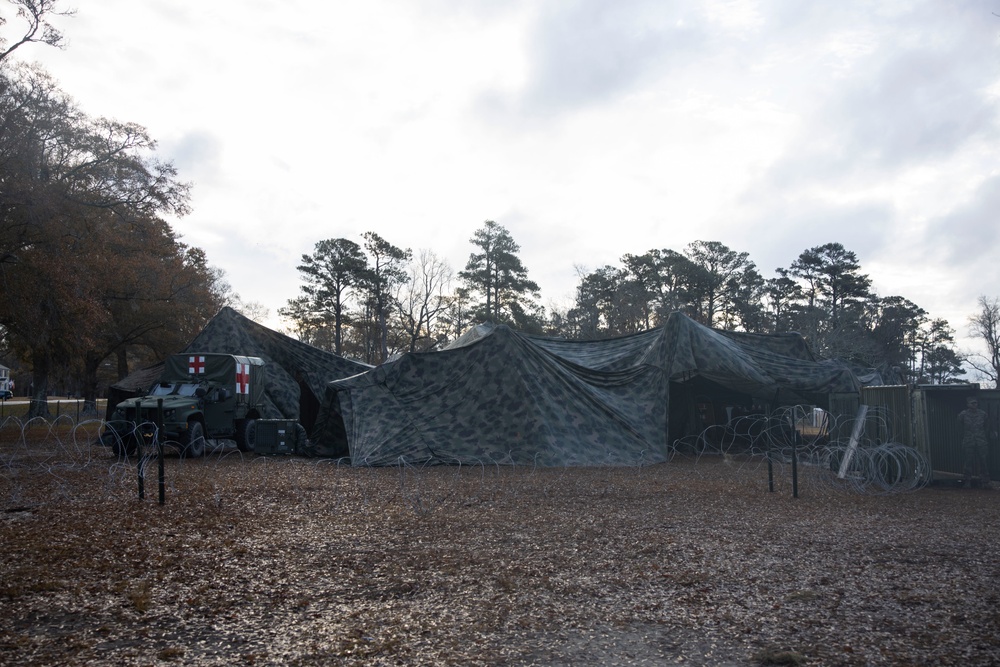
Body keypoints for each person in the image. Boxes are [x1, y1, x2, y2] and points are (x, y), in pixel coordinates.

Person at [958, 397, 990, 488]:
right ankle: (967, 481)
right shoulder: (963, 415)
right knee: (968, 461)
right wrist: (965, 437)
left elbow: (987, 427)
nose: (974, 405)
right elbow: (959, 428)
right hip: (968, 441)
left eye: (975, 403)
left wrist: (983, 437)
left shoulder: (983, 414)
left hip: (981, 441)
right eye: (972, 403)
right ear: (968, 405)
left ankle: (985, 482)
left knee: (983, 461)